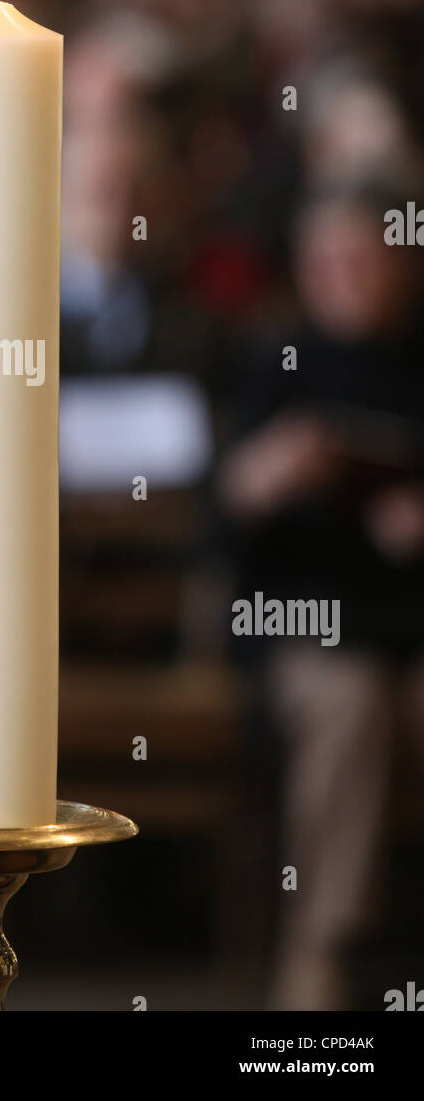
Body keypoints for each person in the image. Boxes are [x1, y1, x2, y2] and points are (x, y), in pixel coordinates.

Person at [218, 182, 424, 1009]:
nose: (340, 276)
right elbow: (224, 520)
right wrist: (261, 479)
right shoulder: (278, 364)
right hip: (313, 630)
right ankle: (322, 952)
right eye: (323, 261)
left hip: (413, 623)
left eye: (359, 259)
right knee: (348, 705)